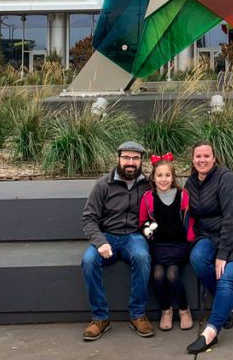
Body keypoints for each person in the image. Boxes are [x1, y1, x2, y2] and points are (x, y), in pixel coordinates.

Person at [184, 141, 233, 354]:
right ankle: (226, 303)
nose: (202, 160)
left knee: (225, 278)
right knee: (197, 258)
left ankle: (211, 332)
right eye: (198, 156)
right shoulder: (191, 183)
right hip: (210, 236)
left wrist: (223, 254)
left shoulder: (226, 180)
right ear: (192, 159)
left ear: (214, 158)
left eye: (206, 156)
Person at [80, 141, 155, 342]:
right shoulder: (103, 185)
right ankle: (100, 318)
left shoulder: (148, 185)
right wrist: (100, 241)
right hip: (107, 236)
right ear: (119, 159)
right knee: (88, 261)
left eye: (135, 158)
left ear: (141, 161)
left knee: (141, 256)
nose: (130, 162)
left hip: (134, 236)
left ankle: (137, 314)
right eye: (126, 158)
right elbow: (89, 218)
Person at [139, 153, 195, 331]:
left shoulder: (183, 195)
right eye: (160, 175)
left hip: (178, 246)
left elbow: (190, 221)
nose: (164, 179)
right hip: (158, 246)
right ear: (153, 178)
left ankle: (184, 310)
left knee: (172, 274)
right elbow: (142, 222)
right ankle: (166, 310)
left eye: (167, 175)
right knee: (157, 275)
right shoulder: (148, 198)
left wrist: (191, 241)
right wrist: (148, 229)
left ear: (173, 177)